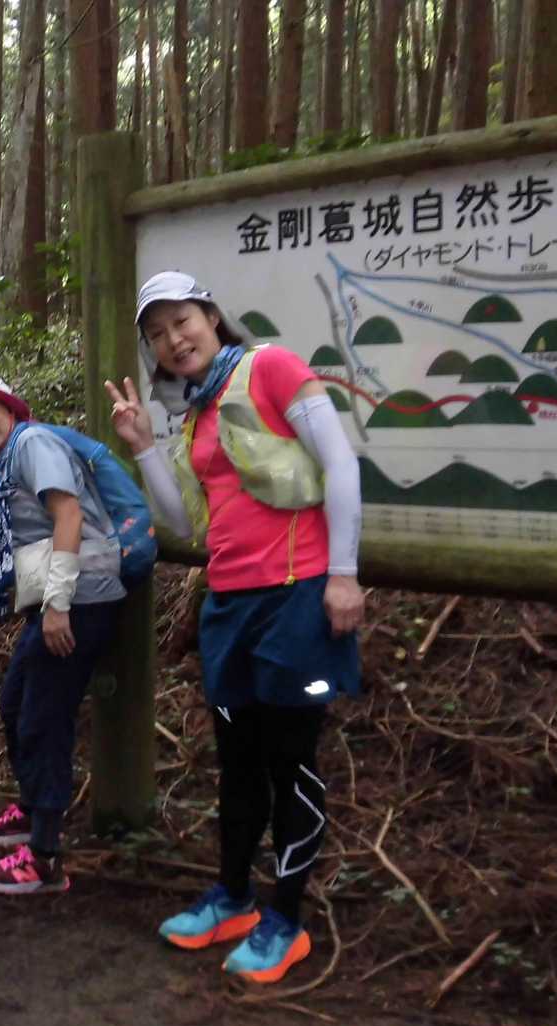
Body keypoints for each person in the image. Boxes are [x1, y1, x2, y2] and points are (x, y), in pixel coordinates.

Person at [105, 270, 364, 984]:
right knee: (239, 762)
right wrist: (142, 444)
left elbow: (340, 463)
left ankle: (287, 920)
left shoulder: (271, 367)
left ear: (212, 316)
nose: (173, 339)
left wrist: (344, 575)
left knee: (290, 763)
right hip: (229, 605)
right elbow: (185, 521)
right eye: (157, 333)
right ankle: (234, 899)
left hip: (296, 596)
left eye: (181, 321)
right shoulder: (200, 410)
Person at [0, 372, 128, 896]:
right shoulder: (4, 464)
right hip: (52, 599)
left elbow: (67, 514)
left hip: (79, 597)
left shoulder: (34, 442)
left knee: (44, 718)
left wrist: (58, 603)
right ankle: (30, 811)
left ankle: (44, 856)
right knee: (16, 702)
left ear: (9, 407)